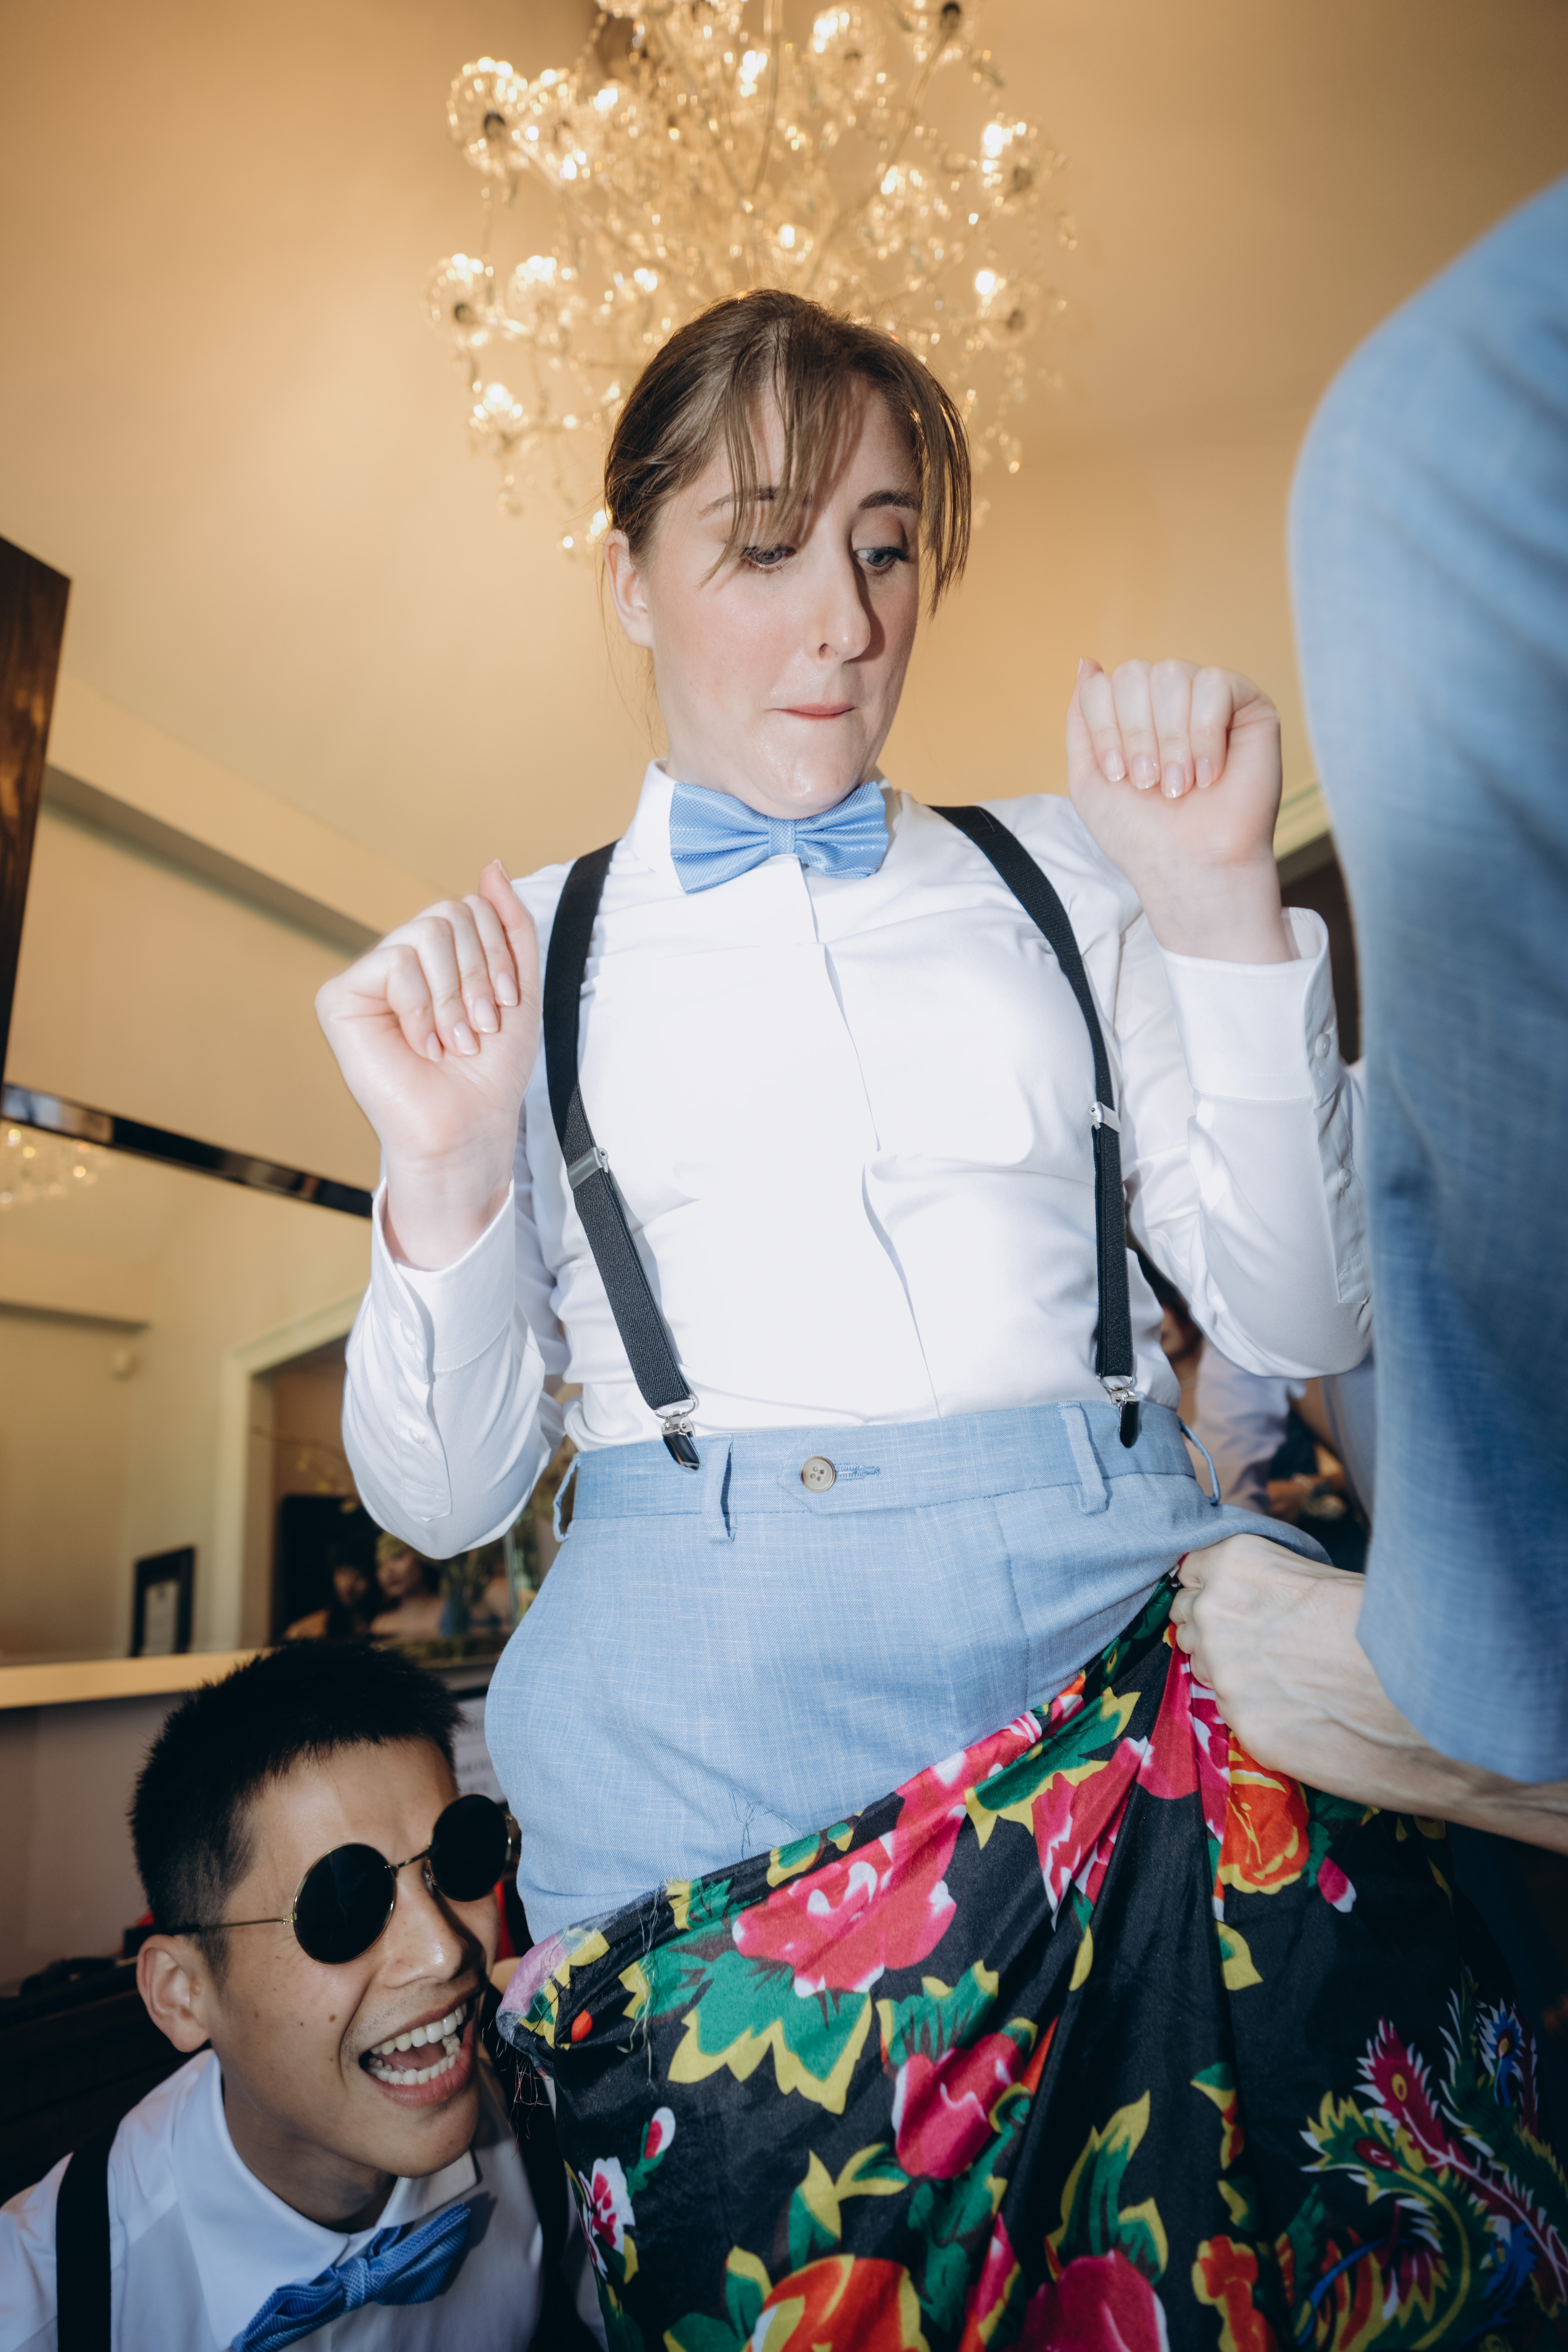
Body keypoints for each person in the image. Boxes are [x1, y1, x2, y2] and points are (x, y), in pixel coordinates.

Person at [319, 293, 1568, 2343]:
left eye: (884, 547)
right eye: (763, 547)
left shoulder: (1071, 875)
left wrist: (1216, 907)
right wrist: (445, 1168)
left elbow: (1291, 1301)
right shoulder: (516, 957)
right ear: (625, 576)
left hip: (1129, 1664)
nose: (845, 623)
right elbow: (444, 1497)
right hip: (707, 1761)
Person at [1173, 176, 1568, 1846]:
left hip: (1454, 1601)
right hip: (1413, 1550)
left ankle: (1484, 1704)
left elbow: (1258, 1389)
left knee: (1422, 453)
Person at [0, 1642, 599, 2350]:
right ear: (184, 1994)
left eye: (455, 1857)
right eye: (343, 1905)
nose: (444, 1949)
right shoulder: (40, 2309)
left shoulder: (552, 2112)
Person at [368, 1533, 444, 1643]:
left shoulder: (454, 1613)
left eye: (398, 1556)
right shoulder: (382, 1626)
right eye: (380, 1564)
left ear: (422, 1557)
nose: (389, 1569)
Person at [284, 1558, 375, 1643]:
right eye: (344, 1572)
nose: (348, 1587)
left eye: (360, 1576)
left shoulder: (379, 1626)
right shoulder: (306, 1630)